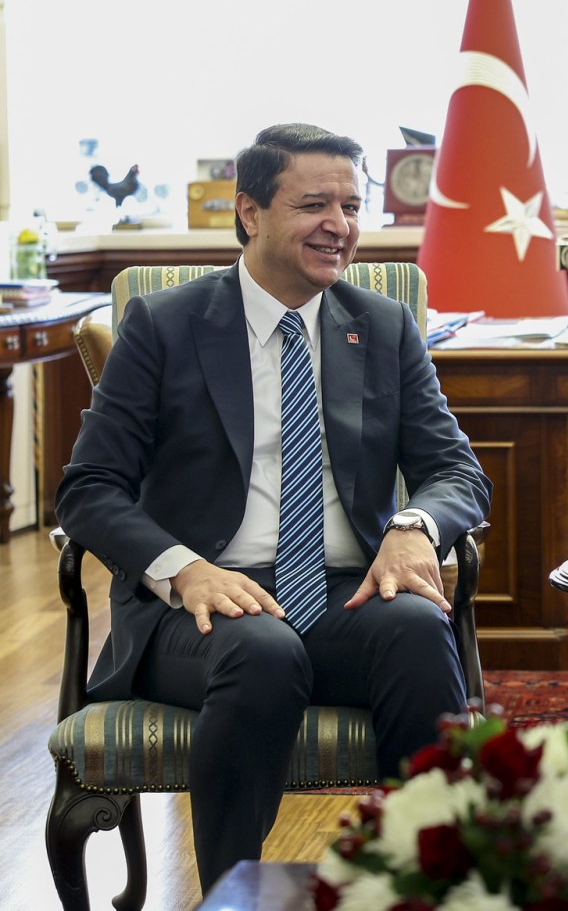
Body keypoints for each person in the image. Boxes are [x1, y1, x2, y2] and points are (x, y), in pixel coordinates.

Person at [56, 123, 492, 891]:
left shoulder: (382, 326)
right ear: (250, 211)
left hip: (343, 593)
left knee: (421, 631)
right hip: (197, 609)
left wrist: (411, 525)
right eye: (314, 204)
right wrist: (184, 569)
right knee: (262, 650)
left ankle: (427, 887)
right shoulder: (164, 325)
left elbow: (455, 469)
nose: (340, 225)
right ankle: (234, 895)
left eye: (351, 206)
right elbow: (88, 487)